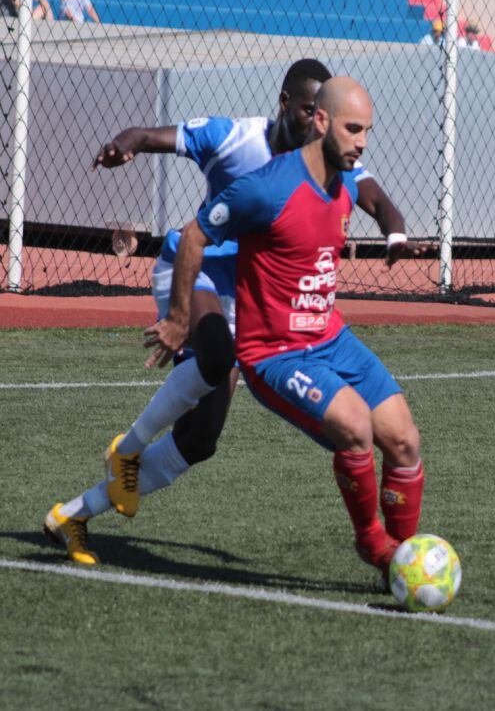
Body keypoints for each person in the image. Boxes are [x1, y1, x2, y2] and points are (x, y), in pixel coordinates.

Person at [43, 59, 333, 566]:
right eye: (309, 109)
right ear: (286, 103)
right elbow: (158, 136)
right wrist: (126, 142)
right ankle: (127, 448)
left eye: (323, 113)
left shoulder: (322, 164)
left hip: (239, 298)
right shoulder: (237, 137)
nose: (316, 122)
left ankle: (73, 515)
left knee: (200, 441)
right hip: (187, 269)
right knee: (217, 354)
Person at [143, 77, 428, 579]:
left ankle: (404, 563)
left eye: (368, 131)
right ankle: (374, 547)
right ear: (320, 121)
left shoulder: (345, 179)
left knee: (405, 441)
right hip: (275, 353)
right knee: (357, 429)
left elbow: (383, 204)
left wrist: (395, 233)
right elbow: (193, 236)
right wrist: (180, 317)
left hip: (330, 337)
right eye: (354, 129)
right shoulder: (267, 186)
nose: (362, 141)